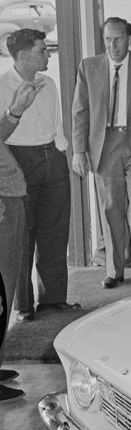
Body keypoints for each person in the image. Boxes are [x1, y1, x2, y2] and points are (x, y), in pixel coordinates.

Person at [72, 17, 131, 289]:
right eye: (108, 40)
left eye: (118, 39)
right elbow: (80, 111)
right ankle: (115, 269)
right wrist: (79, 150)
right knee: (111, 208)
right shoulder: (88, 67)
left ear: (129, 38)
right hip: (104, 147)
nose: (113, 45)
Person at [0, 29, 76, 322]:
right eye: (42, 51)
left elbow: (57, 122)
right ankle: (24, 305)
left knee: (55, 230)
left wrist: (61, 151)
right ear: (22, 56)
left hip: (51, 157)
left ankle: (53, 299)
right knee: (22, 236)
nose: (48, 55)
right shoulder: (4, 86)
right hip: (19, 160)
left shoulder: (49, 82)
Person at [0, 80, 42, 400]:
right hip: (2, 202)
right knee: (2, 291)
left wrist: (16, 111)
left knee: (7, 285)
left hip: (9, 199)